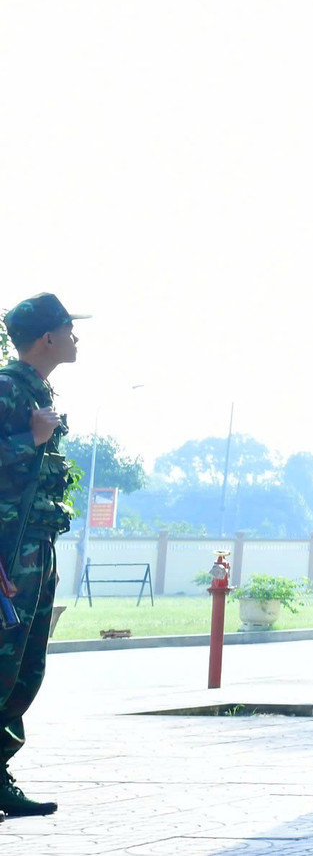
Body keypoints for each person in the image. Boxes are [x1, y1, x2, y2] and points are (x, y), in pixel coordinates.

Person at [0, 292, 88, 820]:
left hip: (35, 550)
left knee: (24, 669)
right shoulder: (8, 390)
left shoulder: (35, 389)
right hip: (9, 557)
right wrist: (30, 438)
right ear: (48, 338)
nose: (77, 338)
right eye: (69, 329)